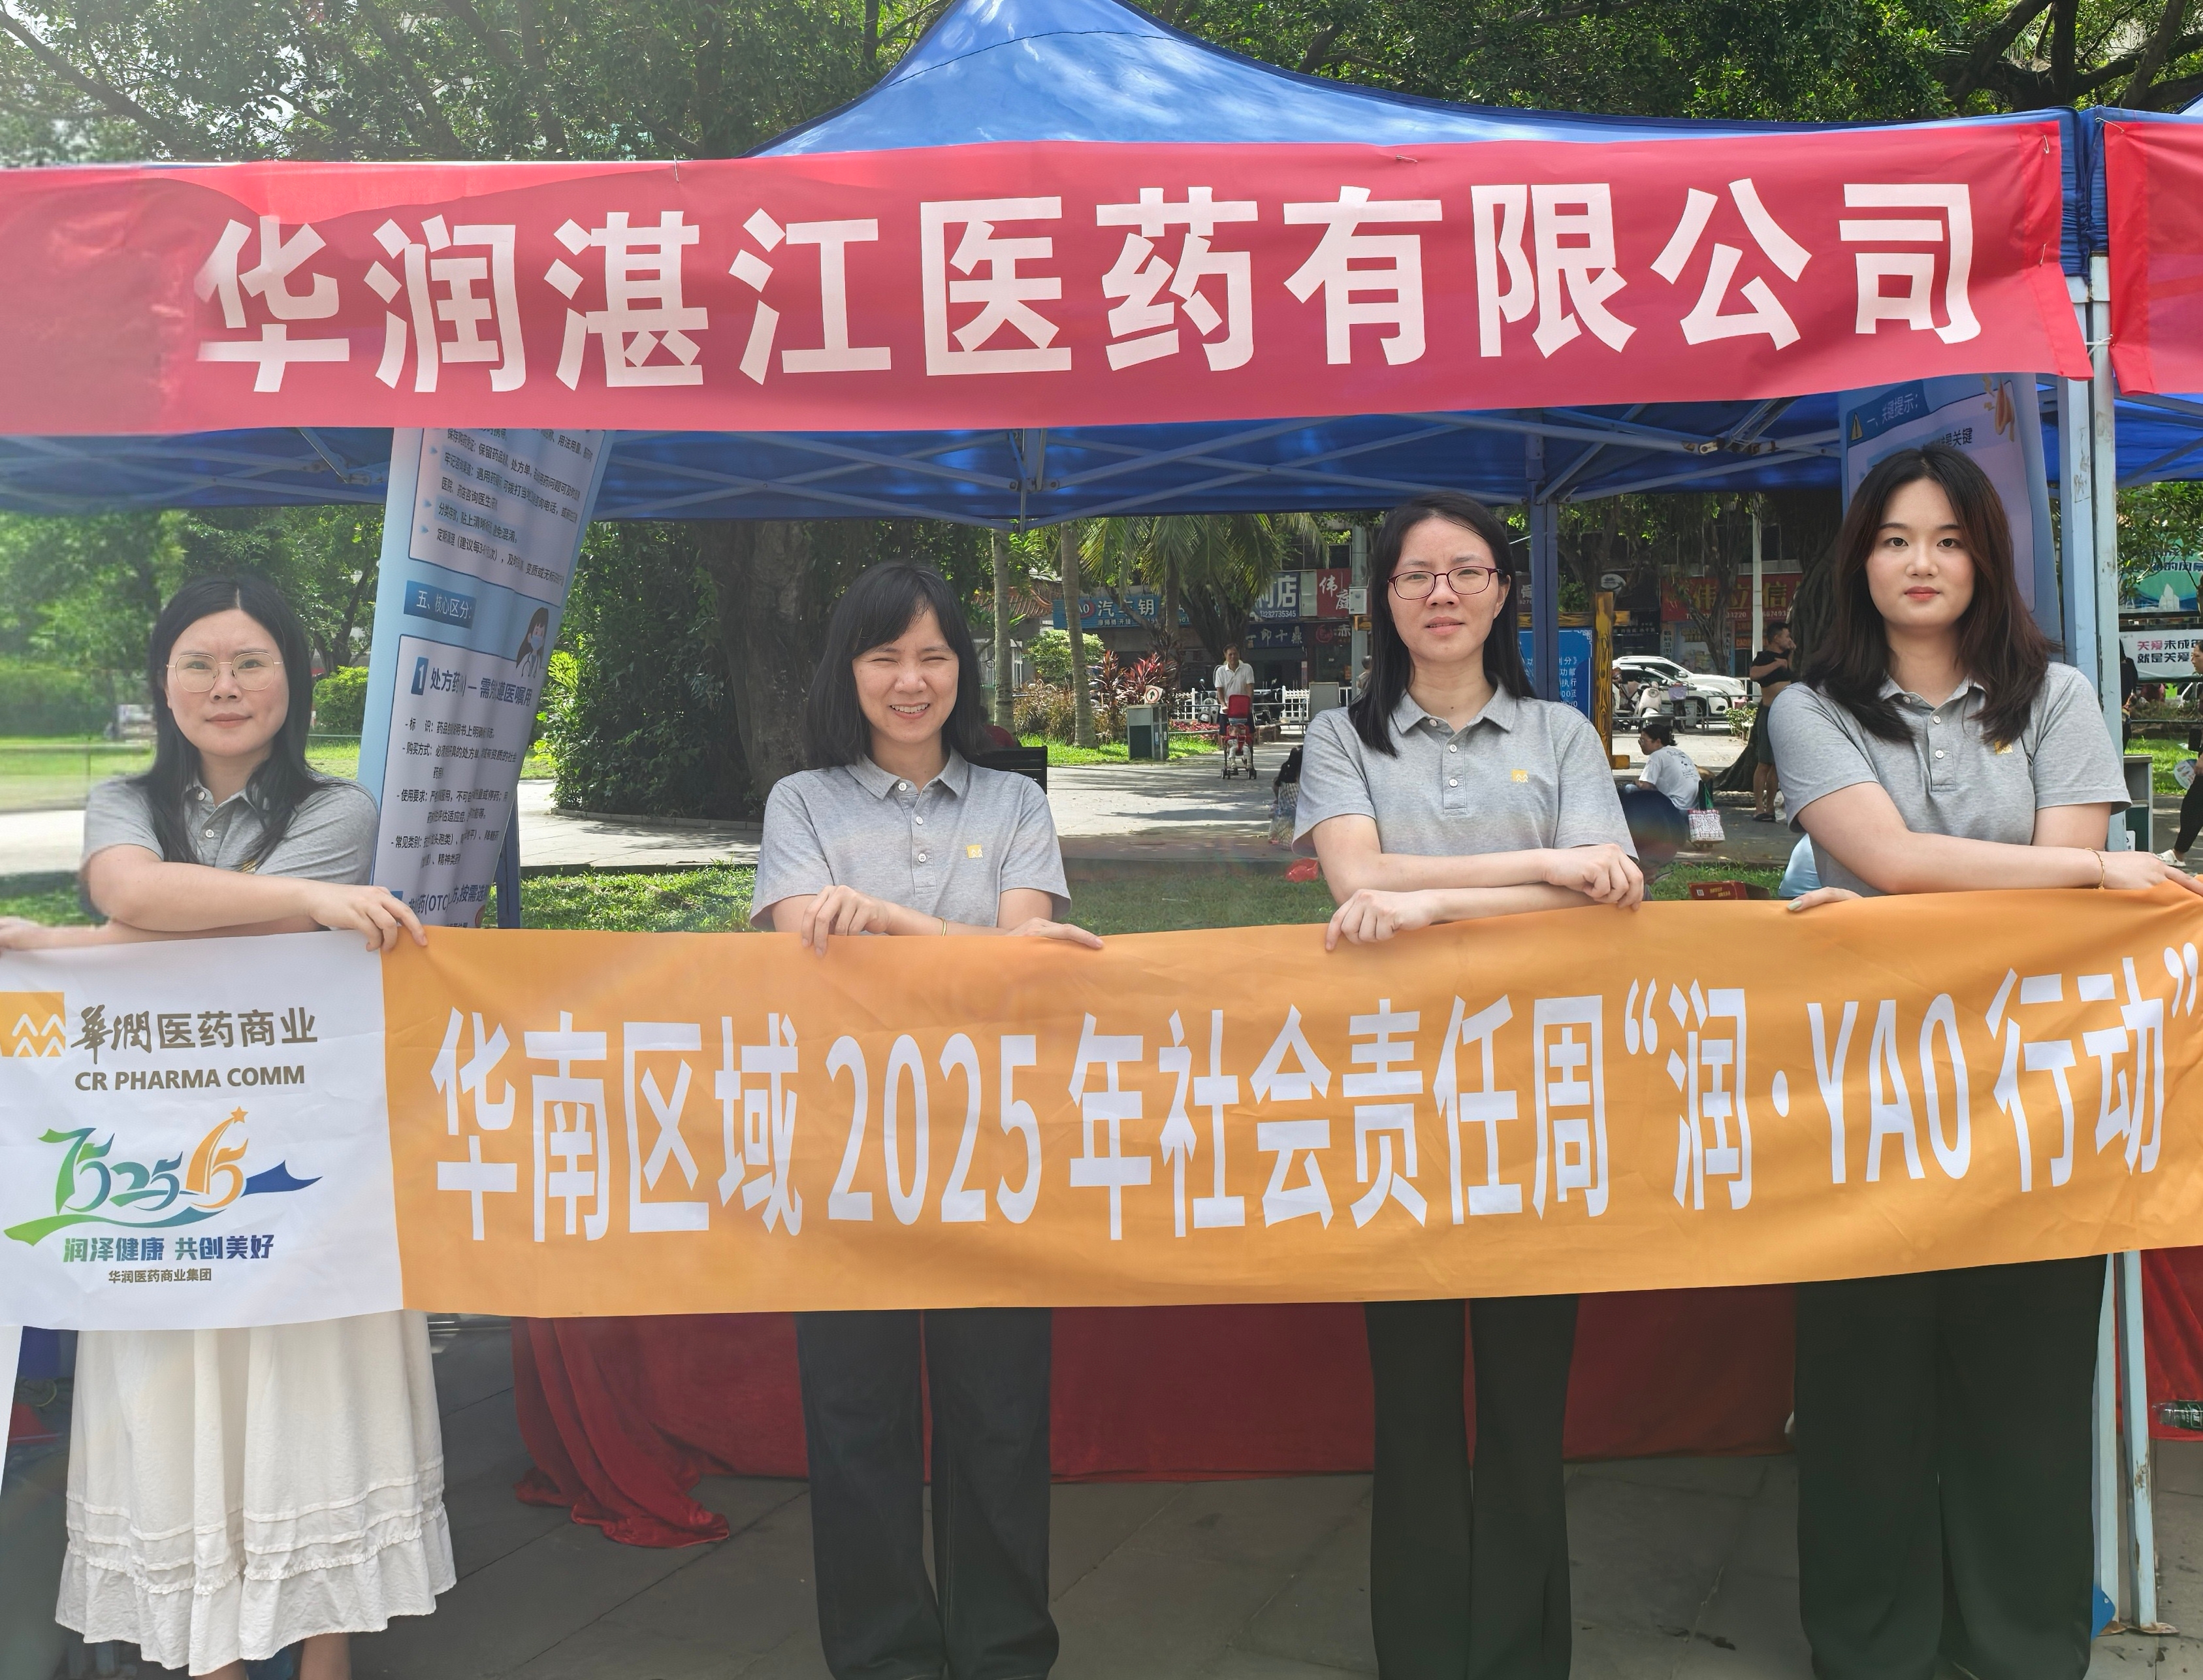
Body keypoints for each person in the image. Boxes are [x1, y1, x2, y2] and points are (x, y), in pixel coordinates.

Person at [1771, 442, 2203, 1680]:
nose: (1922, 562)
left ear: (1985, 560)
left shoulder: (2057, 697)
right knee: (1863, 1387)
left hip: (2036, 1097)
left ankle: (2018, 1641)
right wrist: (2084, 868)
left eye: (1949, 540)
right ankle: (1868, 1643)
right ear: (1860, 560)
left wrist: (1937, 896)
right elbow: (1893, 858)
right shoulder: (1810, 708)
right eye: (1895, 539)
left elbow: (2036, 894)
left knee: (2025, 1384)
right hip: (1864, 1098)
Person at [0, 575, 445, 1680]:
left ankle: (325, 1661)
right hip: (155, 1179)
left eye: (251, 662)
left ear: (294, 680)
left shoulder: (339, 809)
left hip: (308, 1175)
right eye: (198, 663)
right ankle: (213, 1662)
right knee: (178, 1420)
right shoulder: (121, 798)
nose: (225, 686)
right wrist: (301, 902)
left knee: (318, 1414)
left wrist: (70, 945)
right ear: (164, 682)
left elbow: (198, 934)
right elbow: (136, 894)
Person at [1293, 490, 1639, 1680]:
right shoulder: (1343, 738)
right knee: (1414, 1408)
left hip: (1537, 1106)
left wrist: (1433, 898)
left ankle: (1520, 1655)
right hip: (1391, 1108)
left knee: (1526, 1410)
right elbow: (1355, 878)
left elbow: (1611, 890)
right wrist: (1546, 865)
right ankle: (1423, 1653)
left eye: (1466, 572)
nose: (1440, 593)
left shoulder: (1562, 734)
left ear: (1501, 591)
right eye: (1415, 575)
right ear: (1384, 599)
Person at [749, 561, 1101, 1680]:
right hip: (841, 1160)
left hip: (994, 1155)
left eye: (933, 656)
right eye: (885, 656)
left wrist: (889, 924)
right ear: (847, 671)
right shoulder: (801, 804)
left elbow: (1028, 970)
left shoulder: (1015, 804)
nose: (911, 680)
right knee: (855, 1423)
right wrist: (974, 948)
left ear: (963, 669)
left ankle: (1003, 1654)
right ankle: (883, 1658)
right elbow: (810, 948)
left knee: (999, 1419)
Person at [1618, 715, 1696, 867]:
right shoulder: (1679, 753)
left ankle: (1632, 833)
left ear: (1658, 742)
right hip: (1692, 806)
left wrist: (1636, 782)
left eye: (1643, 741)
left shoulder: (1657, 756)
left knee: (1629, 790)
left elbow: (1645, 787)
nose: (1641, 745)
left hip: (1675, 808)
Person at [1746, 619, 1795, 821]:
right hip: (1770, 712)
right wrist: (1777, 664)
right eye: (1786, 636)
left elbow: (1793, 673)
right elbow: (1754, 675)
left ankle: (1770, 808)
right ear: (1776, 638)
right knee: (1764, 763)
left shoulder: (1788, 656)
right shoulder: (1764, 657)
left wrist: (1791, 653)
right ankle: (1759, 807)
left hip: (1787, 714)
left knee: (1777, 764)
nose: (1789, 639)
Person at [1214, 644, 1255, 718]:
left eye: (1235, 654)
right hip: (1227, 710)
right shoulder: (1220, 671)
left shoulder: (1247, 668)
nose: (1233, 656)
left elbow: (1250, 689)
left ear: (1239, 654)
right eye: (1230, 654)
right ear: (1225, 656)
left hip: (1244, 709)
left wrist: (1249, 705)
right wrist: (1224, 705)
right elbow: (1220, 691)